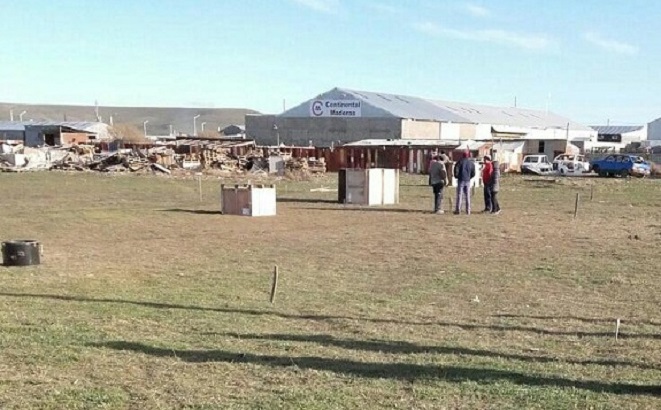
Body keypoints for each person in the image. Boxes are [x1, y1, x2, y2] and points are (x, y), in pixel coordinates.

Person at [453, 150, 476, 215]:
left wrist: (457, 176)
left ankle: (458, 210)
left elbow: (456, 170)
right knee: (468, 196)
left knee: (460, 195)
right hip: (468, 180)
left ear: (462, 155)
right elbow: (473, 173)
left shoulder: (459, 162)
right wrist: (469, 177)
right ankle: (468, 211)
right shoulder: (471, 163)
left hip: (461, 180)